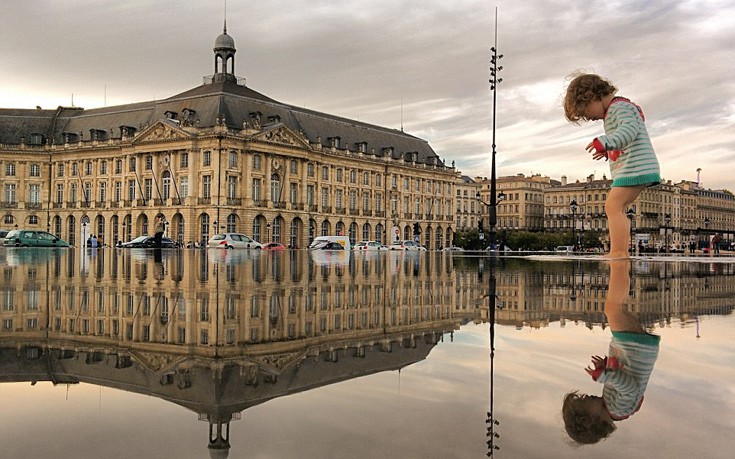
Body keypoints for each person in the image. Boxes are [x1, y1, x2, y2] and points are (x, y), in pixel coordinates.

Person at [562, 260, 660, 444]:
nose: (587, 396)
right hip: (636, 349)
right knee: (612, 309)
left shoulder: (612, 407)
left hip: (633, 349)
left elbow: (621, 378)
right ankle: (619, 262)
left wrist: (607, 366)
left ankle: (621, 265)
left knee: (617, 308)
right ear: (590, 420)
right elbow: (630, 388)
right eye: (585, 401)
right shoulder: (618, 408)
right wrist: (604, 376)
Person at [565, 73, 661, 259]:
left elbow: (629, 131)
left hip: (635, 168)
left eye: (585, 111)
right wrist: (608, 150)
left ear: (592, 96)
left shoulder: (619, 108)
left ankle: (618, 251)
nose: (588, 118)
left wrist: (605, 142)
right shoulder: (618, 108)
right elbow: (626, 138)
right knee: (618, 207)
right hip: (635, 167)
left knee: (613, 206)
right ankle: (620, 251)